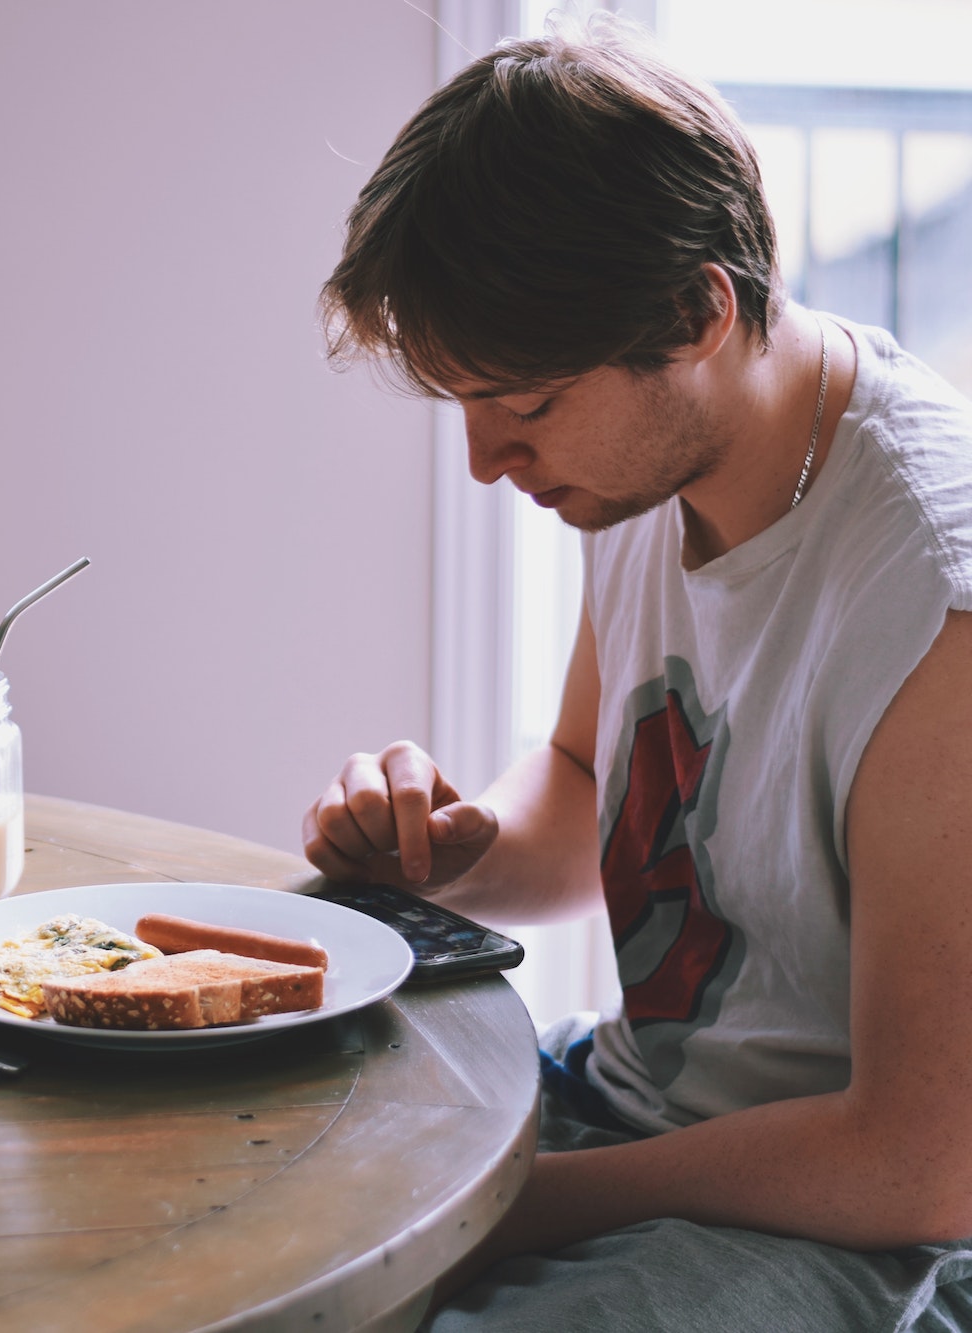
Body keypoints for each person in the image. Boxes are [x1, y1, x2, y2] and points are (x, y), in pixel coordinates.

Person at [310, 19, 972, 1331]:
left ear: (697, 312)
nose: (487, 462)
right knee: (239, 1180)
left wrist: (512, 1193)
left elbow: (922, 1163)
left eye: (527, 402)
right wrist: (447, 849)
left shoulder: (933, 597)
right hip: (630, 1105)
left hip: (858, 1224)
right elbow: (580, 791)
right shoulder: (645, 477)